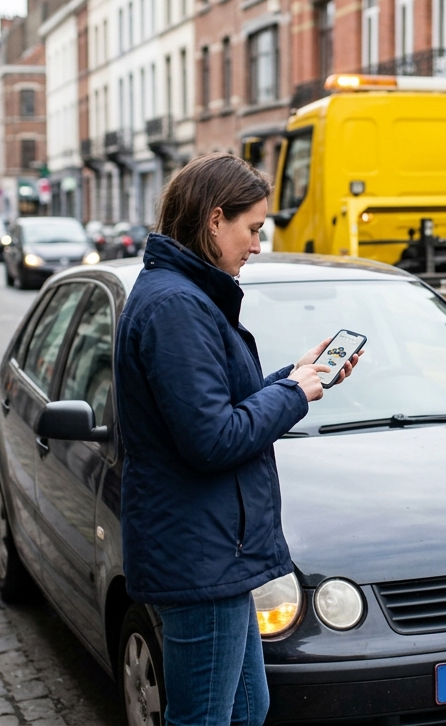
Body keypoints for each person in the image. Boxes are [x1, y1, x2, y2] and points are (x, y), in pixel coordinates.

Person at [114, 153, 359, 726]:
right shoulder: (177, 305)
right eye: (252, 229)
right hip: (201, 555)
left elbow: (215, 406)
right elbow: (212, 438)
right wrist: (295, 395)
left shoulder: (184, 295)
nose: (256, 245)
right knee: (204, 718)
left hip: (212, 548)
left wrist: (293, 376)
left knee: (249, 708)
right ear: (214, 220)